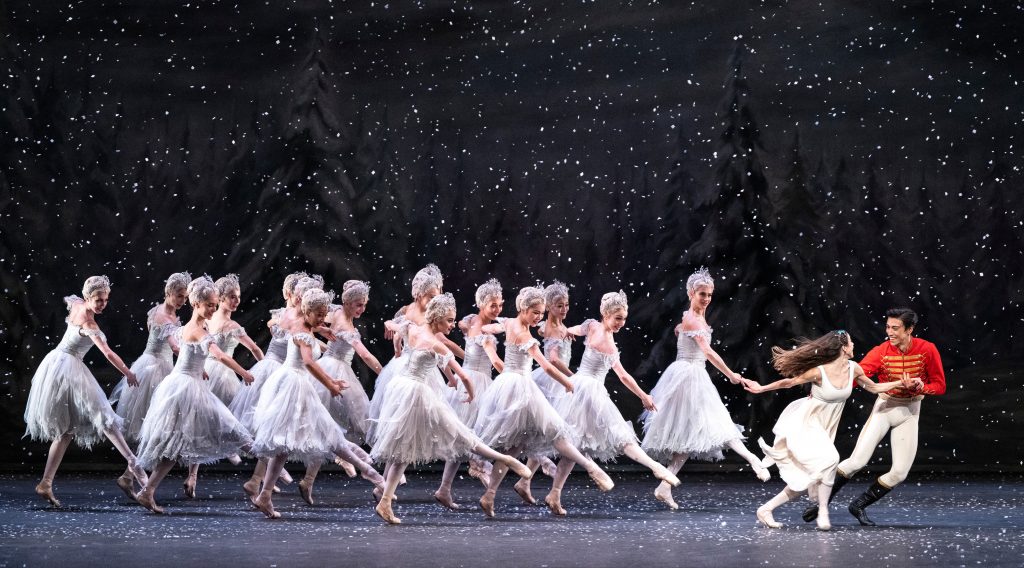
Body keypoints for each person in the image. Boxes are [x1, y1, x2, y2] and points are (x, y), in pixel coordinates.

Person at [370, 293, 533, 524]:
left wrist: (395, 338)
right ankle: (505, 459)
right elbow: (464, 374)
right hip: (416, 394)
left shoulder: (414, 329)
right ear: (436, 318)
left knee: (403, 450)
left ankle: (385, 501)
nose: (451, 325)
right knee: (458, 432)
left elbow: (391, 324)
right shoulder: (435, 344)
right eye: (448, 320)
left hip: (402, 388)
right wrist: (471, 392)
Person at [744, 330, 915, 530]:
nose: (854, 346)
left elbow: (875, 388)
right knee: (831, 459)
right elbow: (789, 382)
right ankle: (823, 511)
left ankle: (766, 508)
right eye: (851, 342)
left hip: (825, 426)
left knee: (811, 475)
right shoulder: (819, 371)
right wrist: (761, 388)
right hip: (806, 422)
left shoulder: (854, 368)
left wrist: (901, 383)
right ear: (843, 347)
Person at [474, 285, 614, 517]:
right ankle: (592, 468)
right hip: (521, 386)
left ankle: (489, 495)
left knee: (515, 446)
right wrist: (569, 382)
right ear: (524, 309)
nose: (539, 318)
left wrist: (489, 331)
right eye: (535, 313)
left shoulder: (511, 323)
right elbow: (547, 365)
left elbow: (489, 326)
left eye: (541, 313)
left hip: (509, 383)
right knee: (555, 430)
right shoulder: (525, 335)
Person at [248, 288, 385, 519]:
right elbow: (310, 362)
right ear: (307, 311)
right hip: (296, 385)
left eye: (324, 314)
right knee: (331, 436)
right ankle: (376, 478)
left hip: (293, 383)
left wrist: (319, 327)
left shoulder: (299, 322)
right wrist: (330, 383)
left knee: (286, 446)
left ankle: (265, 495)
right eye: (319, 315)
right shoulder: (302, 331)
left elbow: (292, 325)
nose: (324, 319)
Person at [801, 308, 945, 526]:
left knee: (899, 472)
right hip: (885, 407)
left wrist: (923, 386)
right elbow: (856, 375)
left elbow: (940, 385)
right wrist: (826, 387)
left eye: (895, 328)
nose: (890, 332)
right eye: (888, 327)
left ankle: (858, 505)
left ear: (910, 329)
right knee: (856, 461)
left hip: (910, 411)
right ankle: (821, 503)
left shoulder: (927, 350)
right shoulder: (881, 352)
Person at [640, 268, 769, 511]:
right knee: (715, 423)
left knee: (693, 434)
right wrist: (731, 374)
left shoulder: (691, 317)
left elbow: (685, 328)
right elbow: (707, 352)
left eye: (709, 294)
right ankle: (753, 460)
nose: (707, 298)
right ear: (691, 293)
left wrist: (681, 328)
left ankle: (664, 487)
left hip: (692, 375)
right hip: (688, 377)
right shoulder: (694, 319)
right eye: (702, 294)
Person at [543, 291, 680, 516]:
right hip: (588, 390)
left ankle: (554, 493)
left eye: (624, 318)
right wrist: (643, 396)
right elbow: (624, 376)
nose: (621, 323)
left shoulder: (591, 326)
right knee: (619, 435)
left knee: (575, 443)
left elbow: (574, 329)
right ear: (606, 314)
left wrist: (566, 332)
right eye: (618, 318)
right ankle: (655, 467)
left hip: (580, 387)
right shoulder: (607, 343)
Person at [24, 276, 149, 507]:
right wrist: (128, 373)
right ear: (89, 298)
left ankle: (46, 483)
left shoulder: (77, 303)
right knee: (104, 415)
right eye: (98, 300)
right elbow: (108, 353)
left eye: (105, 300)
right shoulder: (90, 325)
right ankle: (133, 464)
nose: (102, 304)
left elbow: (69, 300)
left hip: (57, 363)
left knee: (66, 431)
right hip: (68, 368)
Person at [133, 276, 254, 514]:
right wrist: (244, 372)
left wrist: (202, 370)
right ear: (196, 304)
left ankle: (147, 492)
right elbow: (219, 355)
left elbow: (189, 354)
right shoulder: (197, 330)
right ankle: (264, 479)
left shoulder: (193, 327)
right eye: (209, 304)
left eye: (214, 304)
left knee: (176, 445)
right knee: (232, 429)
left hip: (187, 384)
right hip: (185, 389)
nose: (213, 308)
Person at [109, 271, 189, 498]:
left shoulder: (167, 314)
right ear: (169, 292)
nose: (183, 301)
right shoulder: (162, 316)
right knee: (149, 425)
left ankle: (127, 476)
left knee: (151, 426)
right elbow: (175, 347)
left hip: (161, 366)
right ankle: (133, 476)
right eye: (179, 296)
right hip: (154, 370)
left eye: (184, 296)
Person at [434, 279, 506, 509]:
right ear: (482, 304)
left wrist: (464, 351)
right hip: (478, 383)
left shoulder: (471, 320)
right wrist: (512, 375)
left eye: (500, 305)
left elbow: (465, 328)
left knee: (461, 437)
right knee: (482, 433)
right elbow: (494, 360)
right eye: (492, 305)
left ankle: (445, 488)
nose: (497, 310)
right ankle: (481, 471)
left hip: (468, 377)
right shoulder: (486, 334)